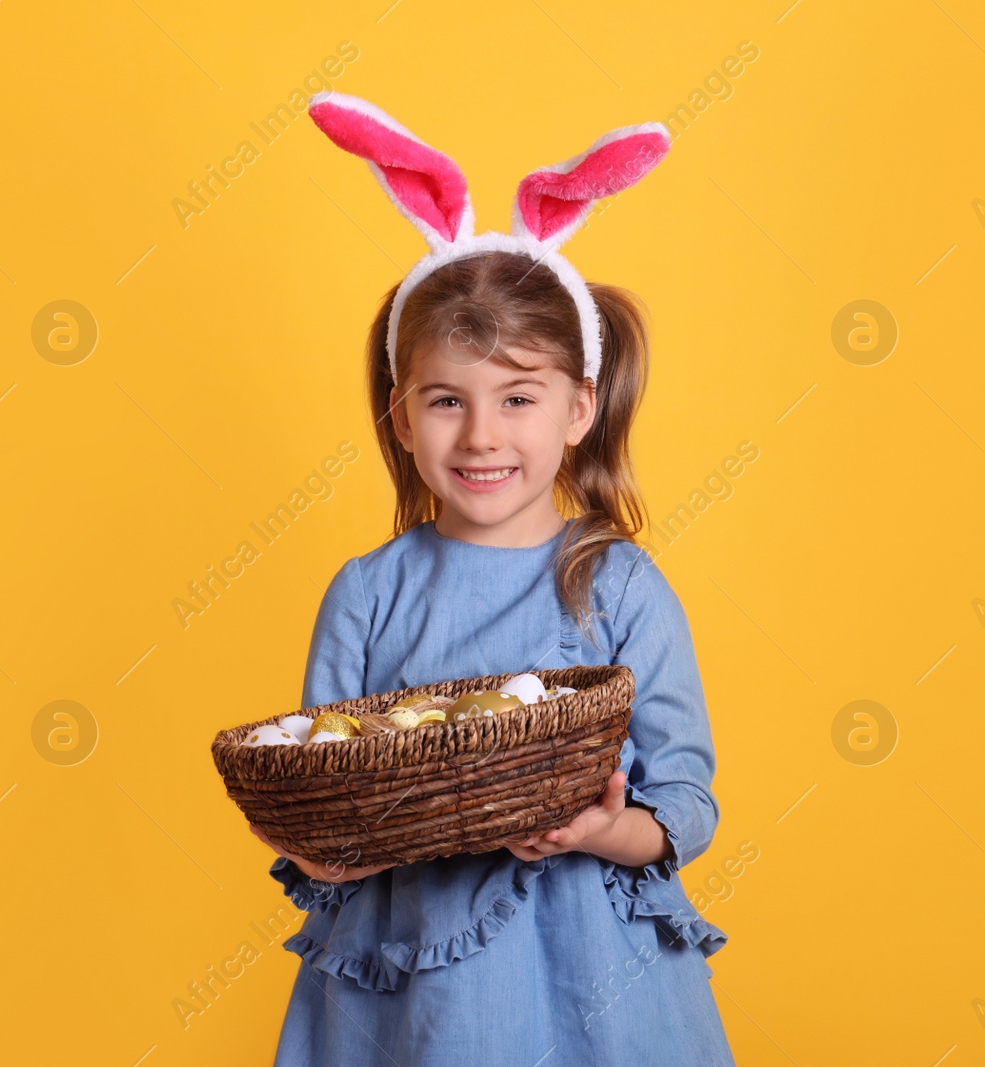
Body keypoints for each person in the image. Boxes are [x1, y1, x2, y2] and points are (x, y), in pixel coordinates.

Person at [248, 93, 736, 1064]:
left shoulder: (619, 583)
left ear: (576, 408)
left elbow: (684, 798)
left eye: (517, 397)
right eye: (445, 400)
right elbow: (324, 806)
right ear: (399, 414)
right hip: (418, 995)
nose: (480, 434)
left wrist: (607, 828)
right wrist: (325, 846)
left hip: (599, 986)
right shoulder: (366, 591)